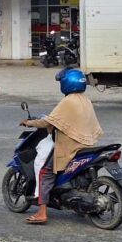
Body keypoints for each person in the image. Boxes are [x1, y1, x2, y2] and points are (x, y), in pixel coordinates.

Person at [20, 67, 103, 225]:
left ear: (66, 83)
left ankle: (42, 212)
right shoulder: (85, 99)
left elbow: (48, 122)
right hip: (88, 143)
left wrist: (28, 122)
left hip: (71, 145)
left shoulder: (68, 101)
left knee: (45, 172)